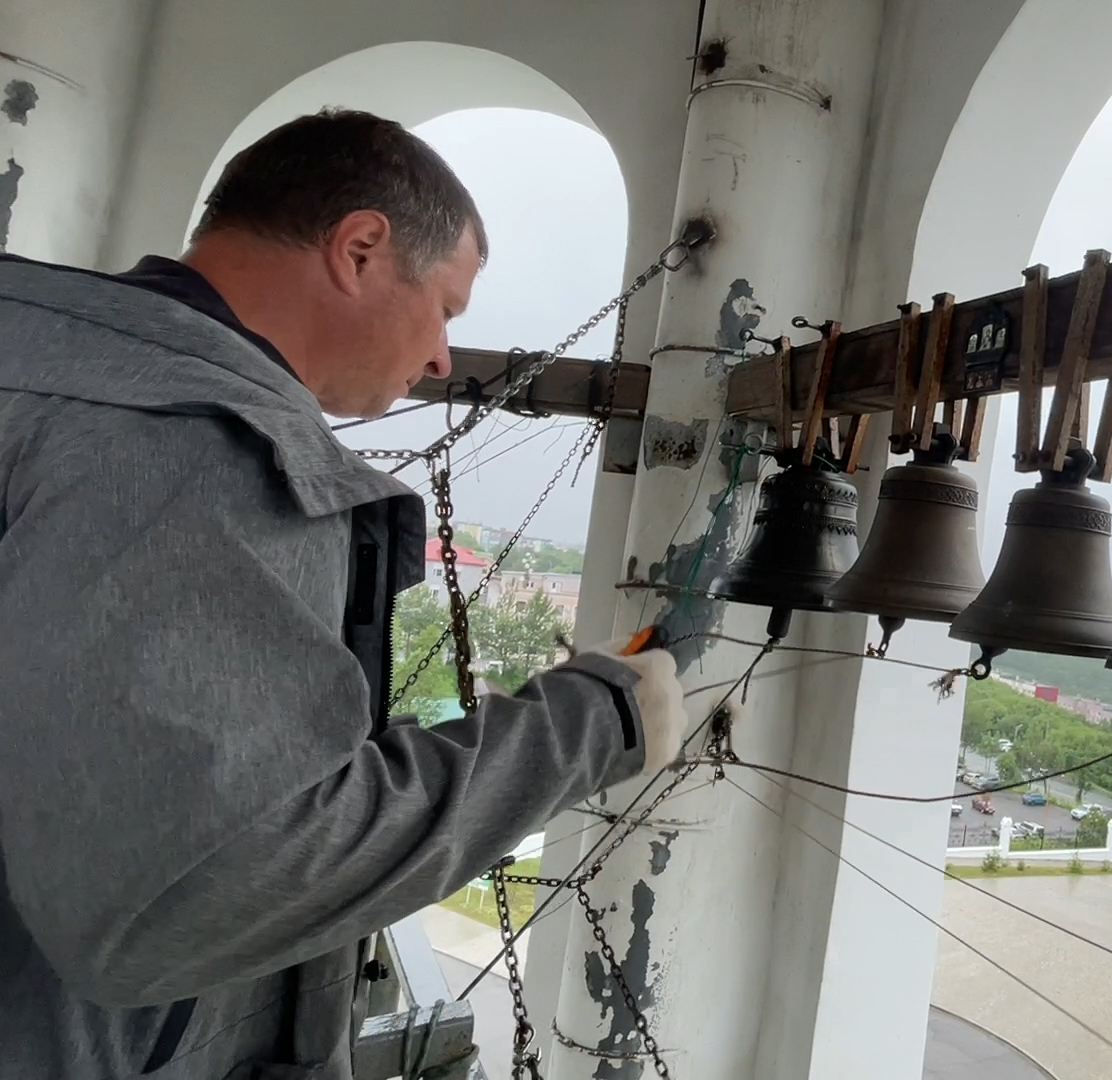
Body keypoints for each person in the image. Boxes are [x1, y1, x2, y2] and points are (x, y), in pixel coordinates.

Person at [0, 109, 688, 1079]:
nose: (446, 356)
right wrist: (593, 723)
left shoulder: (47, 375)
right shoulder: (189, 448)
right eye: (446, 308)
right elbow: (200, 887)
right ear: (360, 248)